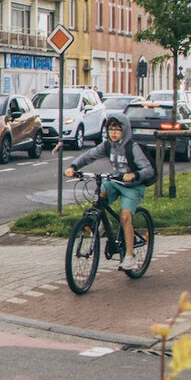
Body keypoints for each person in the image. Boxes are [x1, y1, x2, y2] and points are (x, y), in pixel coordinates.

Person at [65, 114, 154, 272]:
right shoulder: (107, 146)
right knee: (100, 196)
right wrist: (73, 167)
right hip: (115, 182)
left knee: (125, 217)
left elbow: (148, 170)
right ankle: (96, 223)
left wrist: (134, 175)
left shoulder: (132, 147)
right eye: (111, 129)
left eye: (118, 129)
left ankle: (129, 256)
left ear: (124, 130)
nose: (113, 133)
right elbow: (88, 156)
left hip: (133, 186)